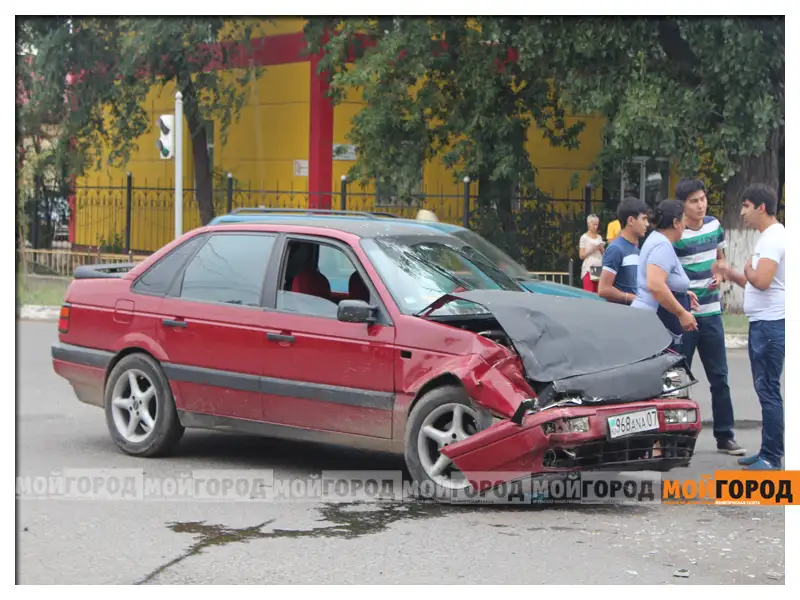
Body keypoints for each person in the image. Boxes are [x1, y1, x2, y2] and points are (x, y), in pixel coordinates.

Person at [712, 184, 785, 470]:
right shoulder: (770, 237)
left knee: (767, 390)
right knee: (767, 389)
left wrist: (746, 270)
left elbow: (762, 280)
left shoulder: (772, 239)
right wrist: (732, 272)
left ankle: (771, 457)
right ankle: (768, 450)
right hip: (765, 322)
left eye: (745, 206)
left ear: (761, 208)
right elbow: (758, 282)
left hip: (769, 325)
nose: (742, 212)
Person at [673, 178, 744, 456]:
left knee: (720, 378)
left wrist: (719, 274)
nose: (701, 205)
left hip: (712, 314)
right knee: (678, 380)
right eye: (694, 201)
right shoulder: (676, 234)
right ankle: (678, 441)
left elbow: (721, 259)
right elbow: (668, 272)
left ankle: (725, 436)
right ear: (683, 206)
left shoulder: (714, 226)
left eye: (703, 199)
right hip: (684, 316)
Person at [631, 199, 700, 346]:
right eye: (683, 220)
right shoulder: (662, 245)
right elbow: (655, 285)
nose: (685, 225)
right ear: (676, 223)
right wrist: (681, 313)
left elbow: (661, 280)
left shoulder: (657, 240)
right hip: (656, 323)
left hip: (654, 321)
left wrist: (682, 294)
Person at [598, 196, 649, 304]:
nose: (647, 224)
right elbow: (603, 289)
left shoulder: (636, 250)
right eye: (644, 219)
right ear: (631, 220)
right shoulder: (616, 249)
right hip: (621, 317)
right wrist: (632, 298)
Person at [579, 214, 605, 292]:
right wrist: (591, 250)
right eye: (594, 224)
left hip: (597, 267)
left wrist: (601, 249)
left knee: (597, 292)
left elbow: (603, 254)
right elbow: (581, 255)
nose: (596, 227)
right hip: (588, 267)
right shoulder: (584, 237)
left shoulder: (599, 237)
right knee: (589, 291)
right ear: (589, 224)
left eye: (597, 224)